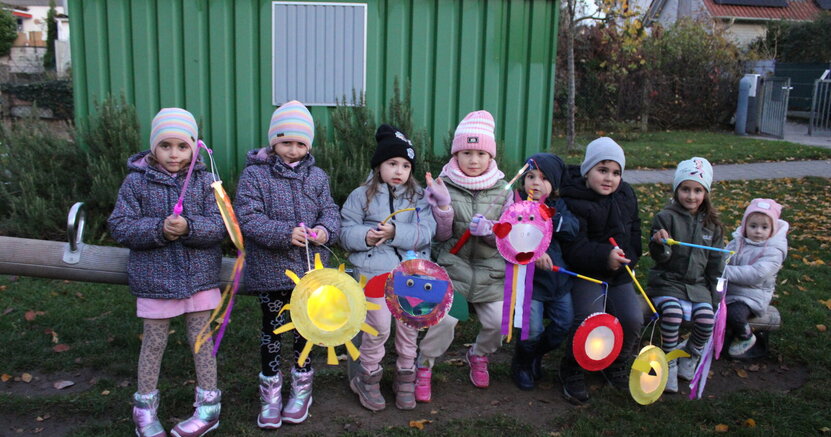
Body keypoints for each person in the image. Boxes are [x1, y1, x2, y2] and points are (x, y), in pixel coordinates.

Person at [109, 108, 225, 437]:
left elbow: (221, 226)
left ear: (194, 147)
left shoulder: (205, 181)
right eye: (166, 146)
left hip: (199, 279)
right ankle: (144, 411)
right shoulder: (136, 182)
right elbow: (120, 225)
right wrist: (159, 230)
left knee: (202, 342)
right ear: (153, 148)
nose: (174, 154)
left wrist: (189, 227)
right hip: (154, 281)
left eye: (182, 146)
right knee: (154, 344)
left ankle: (208, 408)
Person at [234, 100, 341, 429]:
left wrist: (324, 230)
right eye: (285, 142)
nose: (292, 150)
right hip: (271, 272)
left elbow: (330, 211)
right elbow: (247, 217)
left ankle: (301, 387)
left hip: (309, 273)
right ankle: (270, 390)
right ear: (273, 142)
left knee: (304, 331)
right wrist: (283, 233)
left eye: (299, 143)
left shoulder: (317, 177)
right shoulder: (255, 176)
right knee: (271, 330)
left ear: (308, 144)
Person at [340, 124, 436, 411]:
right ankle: (367, 376)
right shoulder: (361, 196)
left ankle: (406, 376)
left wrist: (396, 232)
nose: (399, 170)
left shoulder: (419, 197)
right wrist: (365, 237)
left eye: (406, 165)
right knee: (378, 326)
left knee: (410, 325)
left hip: (412, 274)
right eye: (392, 163)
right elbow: (344, 231)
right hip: (373, 273)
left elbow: (427, 231)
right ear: (379, 164)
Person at [417, 110, 510, 400]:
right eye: (466, 152)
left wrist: (493, 230)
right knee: (445, 320)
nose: (473, 160)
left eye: (480, 153)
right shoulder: (443, 184)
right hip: (452, 265)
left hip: (489, 269)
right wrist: (443, 210)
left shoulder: (504, 189)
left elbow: (511, 237)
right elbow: (438, 235)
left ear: (490, 156)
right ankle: (425, 364)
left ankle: (479, 353)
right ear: (456, 154)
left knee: (498, 321)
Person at [558, 137, 643, 404]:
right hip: (585, 272)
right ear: (587, 171)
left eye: (616, 172)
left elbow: (635, 231)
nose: (609, 178)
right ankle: (572, 366)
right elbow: (573, 247)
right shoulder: (573, 200)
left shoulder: (626, 195)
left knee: (632, 318)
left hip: (619, 272)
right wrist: (605, 257)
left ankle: (616, 360)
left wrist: (628, 257)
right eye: (602, 170)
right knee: (587, 318)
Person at [647, 157, 725, 393]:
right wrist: (660, 243)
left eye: (698, 190)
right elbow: (660, 258)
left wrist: (714, 297)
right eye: (685, 189)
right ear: (677, 189)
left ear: (706, 193)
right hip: (668, 282)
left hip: (698, 287)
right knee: (672, 313)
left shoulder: (713, 226)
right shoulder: (665, 218)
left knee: (706, 320)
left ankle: (689, 355)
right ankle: (669, 360)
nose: (691, 196)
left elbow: (715, 264)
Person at [510, 153, 579, 390]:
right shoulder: (516, 208)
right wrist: (534, 253)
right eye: (530, 176)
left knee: (563, 323)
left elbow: (572, 229)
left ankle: (537, 354)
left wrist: (551, 219)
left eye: (543, 178)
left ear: (554, 185)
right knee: (532, 329)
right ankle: (522, 362)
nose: (536, 183)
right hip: (531, 285)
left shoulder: (558, 207)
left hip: (559, 281)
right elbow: (510, 237)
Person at [724, 198, 788, 357]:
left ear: (772, 229)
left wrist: (723, 271)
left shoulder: (774, 251)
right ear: (745, 226)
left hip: (752, 297)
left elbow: (757, 274)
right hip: (730, 291)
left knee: (734, 314)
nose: (758, 231)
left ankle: (746, 337)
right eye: (753, 226)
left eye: (764, 227)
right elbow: (724, 256)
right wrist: (717, 259)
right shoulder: (738, 242)